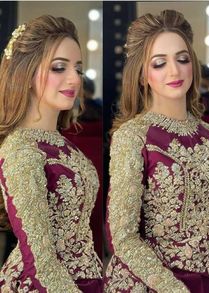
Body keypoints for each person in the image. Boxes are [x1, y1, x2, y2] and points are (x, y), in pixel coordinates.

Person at [104, 10, 209, 293]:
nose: (174, 71)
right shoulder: (133, 136)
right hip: (156, 283)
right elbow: (122, 236)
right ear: (143, 75)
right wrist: (173, 288)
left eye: (182, 59)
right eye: (160, 63)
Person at [0, 15, 102, 292]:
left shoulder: (63, 144)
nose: (74, 78)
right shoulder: (21, 149)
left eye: (78, 69)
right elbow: (40, 261)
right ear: (26, 73)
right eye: (59, 68)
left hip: (88, 279)